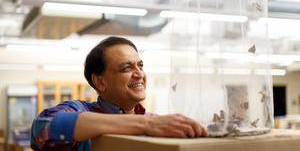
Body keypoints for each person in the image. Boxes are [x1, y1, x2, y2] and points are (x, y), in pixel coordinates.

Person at [30, 36, 208, 150]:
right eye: (126, 68)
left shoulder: (152, 120)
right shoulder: (81, 110)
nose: (139, 73)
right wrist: (146, 124)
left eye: (140, 65)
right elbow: (44, 126)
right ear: (100, 81)